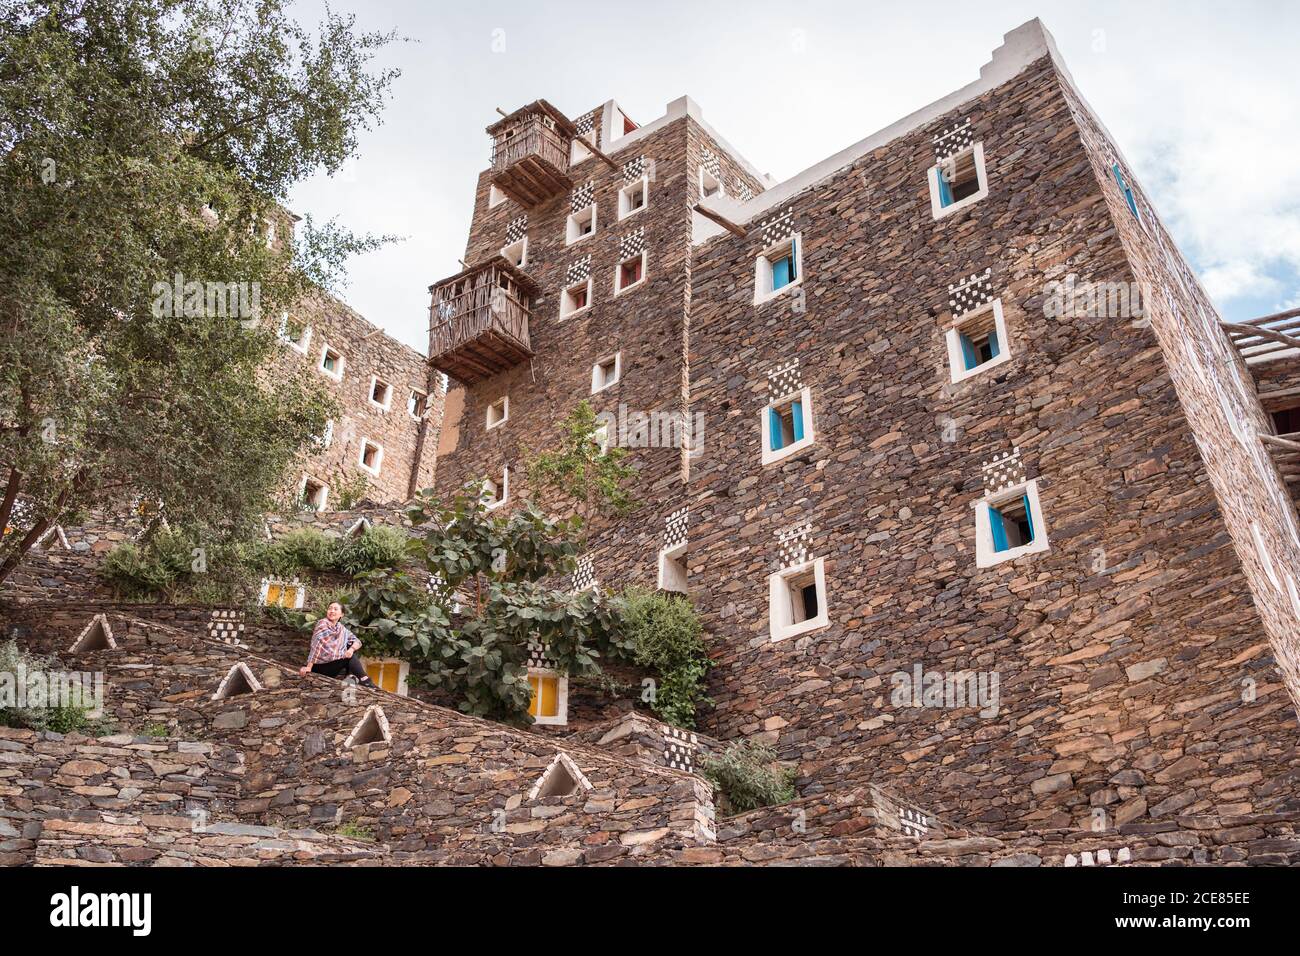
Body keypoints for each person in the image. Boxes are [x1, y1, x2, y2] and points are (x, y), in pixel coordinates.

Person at [298, 602, 378, 689]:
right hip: (319, 667)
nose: (332, 611)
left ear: (342, 614)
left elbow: (357, 641)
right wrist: (309, 667)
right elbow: (317, 645)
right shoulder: (322, 624)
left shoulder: (341, 628)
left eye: (335, 609)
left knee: (350, 650)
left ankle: (354, 681)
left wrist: (351, 650)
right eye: (330, 608)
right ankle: (365, 680)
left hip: (332, 666)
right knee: (348, 657)